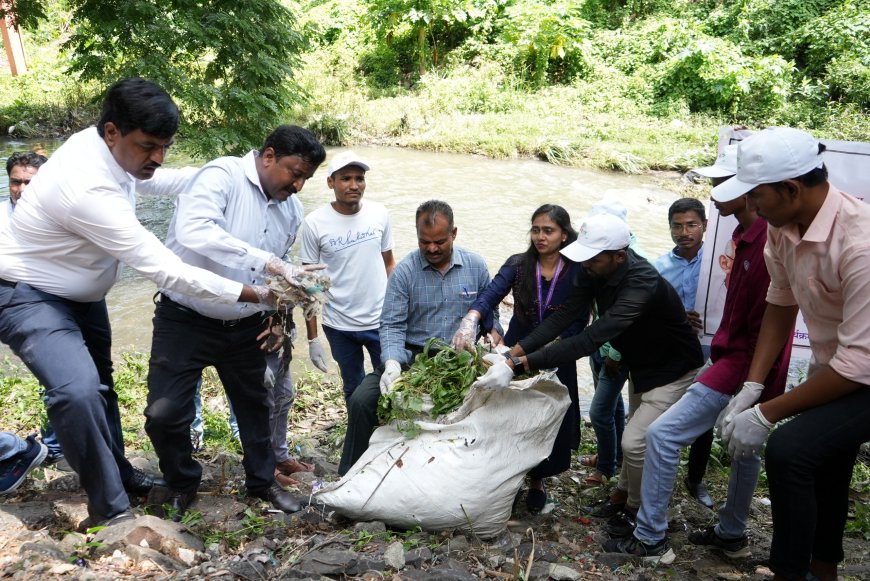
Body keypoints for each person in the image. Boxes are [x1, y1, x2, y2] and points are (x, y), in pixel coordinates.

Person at [0, 77, 277, 528]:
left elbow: (157, 181)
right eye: (148, 146)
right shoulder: (86, 188)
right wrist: (260, 293)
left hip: (84, 297)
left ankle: (122, 475)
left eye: (165, 146)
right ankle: (111, 512)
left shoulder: (102, 148)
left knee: (103, 391)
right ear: (112, 132)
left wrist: (230, 180)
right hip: (29, 295)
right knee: (77, 392)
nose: (158, 157)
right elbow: (168, 270)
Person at [477, 212, 704, 564]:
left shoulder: (640, 282)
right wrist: (513, 353)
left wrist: (520, 365)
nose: (585, 264)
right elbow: (562, 316)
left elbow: (590, 338)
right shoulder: (594, 270)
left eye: (594, 258)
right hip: (641, 367)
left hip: (674, 369)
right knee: (635, 438)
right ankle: (623, 504)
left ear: (619, 255)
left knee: (637, 442)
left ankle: (651, 533)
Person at [144, 125, 327, 520]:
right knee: (163, 413)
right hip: (185, 319)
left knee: (256, 406)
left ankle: (262, 482)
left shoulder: (291, 211)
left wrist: (279, 317)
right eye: (294, 172)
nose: (297, 185)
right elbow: (195, 231)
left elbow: (277, 281)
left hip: (247, 324)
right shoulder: (220, 176)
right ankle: (181, 480)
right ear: (268, 156)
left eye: (305, 179)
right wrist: (268, 261)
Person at [623, 143, 792, 562]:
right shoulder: (741, 234)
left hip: (746, 364)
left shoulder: (771, 244)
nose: (715, 189)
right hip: (736, 359)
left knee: (662, 435)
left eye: (722, 182)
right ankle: (731, 534)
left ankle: (650, 537)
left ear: (752, 190)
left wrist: (752, 386)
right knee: (743, 448)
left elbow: (774, 321)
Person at [716, 127, 870, 581]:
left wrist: (765, 416)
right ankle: (824, 570)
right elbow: (781, 303)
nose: (752, 206)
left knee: (789, 450)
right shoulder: (782, 230)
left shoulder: (859, 244)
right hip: (838, 364)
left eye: (757, 195)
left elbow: (858, 366)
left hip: (862, 371)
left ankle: (789, 572)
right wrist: (752, 385)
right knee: (829, 463)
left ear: (791, 188)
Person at [337, 200, 498, 476]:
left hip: (460, 361)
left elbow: (491, 315)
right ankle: (351, 475)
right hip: (414, 359)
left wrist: (494, 338)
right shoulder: (405, 272)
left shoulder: (475, 266)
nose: (432, 249)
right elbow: (391, 324)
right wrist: (392, 363)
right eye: (425, 242)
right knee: (362, 400)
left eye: (439, 241)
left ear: (454, 234)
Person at [452, 204, 587, 512]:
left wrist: (558, 345)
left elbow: (580, 319)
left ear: (564, 235)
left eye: (549, 231)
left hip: (559, 352)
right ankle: (509, 477)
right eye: (536, 230)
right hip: (517, 350)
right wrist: (472, 318)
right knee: (511, 416)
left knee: (547, 418)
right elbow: (490, 295)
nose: (541, 236)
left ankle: (538, 480)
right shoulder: (519, 264)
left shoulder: (579, 270)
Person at [301, 150, 395, 401]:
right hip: (339, 325)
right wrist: (312, 339)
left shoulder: (379, 214)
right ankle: (358, 436)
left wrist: (399, 312)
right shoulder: (314, 223)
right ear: (331, 182)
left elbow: (389, 265)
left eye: (359, 178)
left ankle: (387, 434)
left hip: (380, 321)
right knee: (353, 388)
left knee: (391, 383)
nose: (354, 185)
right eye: (345, 178)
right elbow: (309, 284)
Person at [0, 151, 71, 472]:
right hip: (9, 306)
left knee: (55, 380)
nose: (22, 189)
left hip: (51, 307)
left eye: (31, 182)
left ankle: (54, 446)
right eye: (16, 182)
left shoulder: (62, 219)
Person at [653, 197, 715, 508]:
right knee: (664, 412)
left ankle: (695, 478)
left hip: (709, 348)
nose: (684, 232)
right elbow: (649, 313)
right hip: (672, 350)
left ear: (705, 225)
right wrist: (677, 318)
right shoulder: (659, 268)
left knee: (705, 414)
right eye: (677, 226)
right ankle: (661, 474)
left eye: (691, 224)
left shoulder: (719, 262)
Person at [580, 200, 645, 488]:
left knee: (598, 411)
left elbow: (633, 319)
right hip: (600, 343)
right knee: (612, 404)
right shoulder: (597, 260)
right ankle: (613, 455)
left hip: (616, 351)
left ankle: (606, 468)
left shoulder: (635, 265)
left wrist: (616, 353)